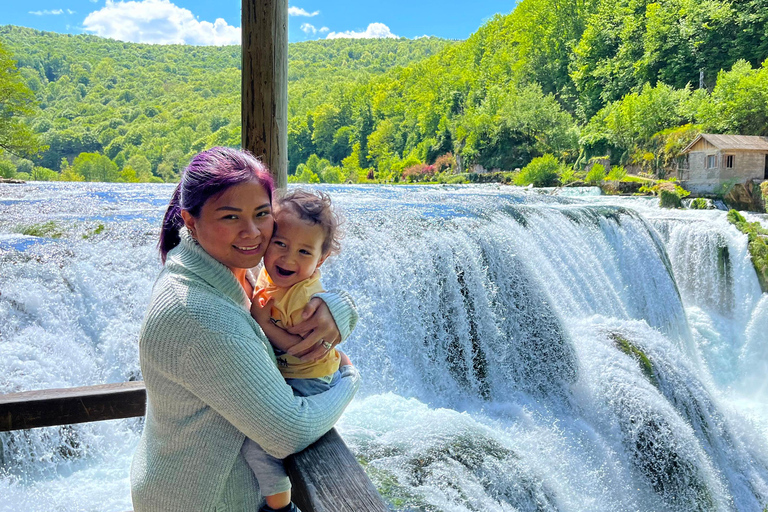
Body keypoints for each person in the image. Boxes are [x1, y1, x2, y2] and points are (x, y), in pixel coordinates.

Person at [130, 147, 360, 512]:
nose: (252, 232)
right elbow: (288, 431)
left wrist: (339, 307)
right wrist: (349, 380)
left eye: (261, 214)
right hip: (201, 500)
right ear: (190, 220)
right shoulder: (198, 315)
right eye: (230, 216)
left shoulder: (233, 268)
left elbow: (296, 291)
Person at [244, 189, 345, 512]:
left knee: (257, 449)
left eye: (304, 251)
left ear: (321, 259)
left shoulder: (304, 300)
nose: (289, 259)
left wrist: (262, 322)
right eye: (281, 244)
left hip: (308, 378)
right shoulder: (270, 276)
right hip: (299, 374)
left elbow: (302, 349)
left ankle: (279, 508)